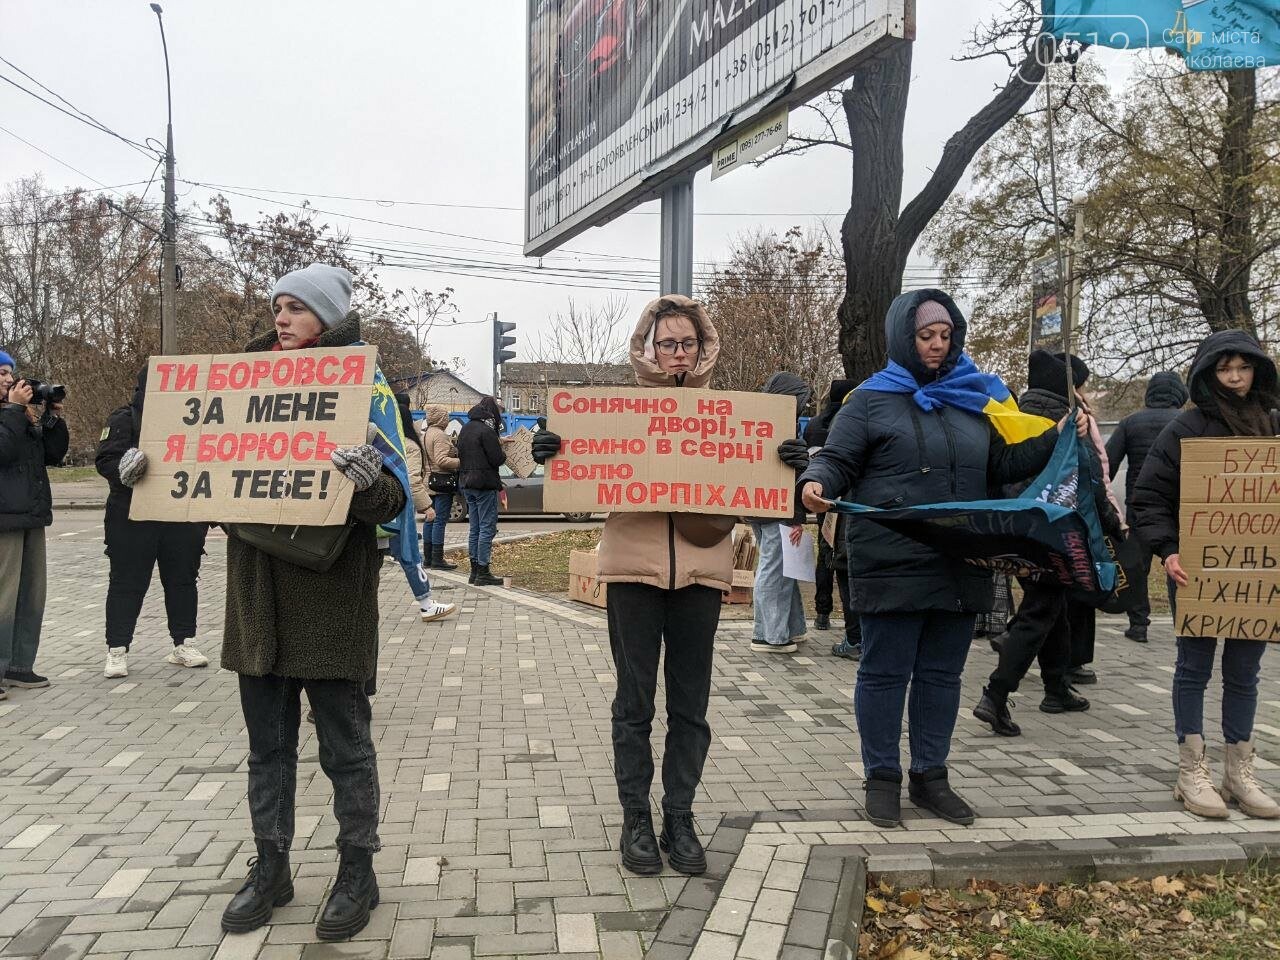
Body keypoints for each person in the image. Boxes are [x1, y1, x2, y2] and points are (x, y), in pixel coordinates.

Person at [117, 264, 407, 940]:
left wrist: (366, 482)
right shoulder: (234, 385)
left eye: (298, 308)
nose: (282, 318)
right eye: (278, 306)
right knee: (267, 746)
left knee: (345, 745)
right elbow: (197, 473)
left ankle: (357, 869)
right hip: (256, 593)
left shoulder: (362, 388)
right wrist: (140, 470)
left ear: (329, 319)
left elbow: (396, 501)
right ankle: (271, 864)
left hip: (332, 594)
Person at [798, 291, 1087, 829]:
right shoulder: (868, 400)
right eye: (925, 336)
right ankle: (881, 776)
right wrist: (815, 482)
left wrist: (1058, 436)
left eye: (945, 336)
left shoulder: (974, 398)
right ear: (903, 337)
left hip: (961, 559)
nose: (935, 345)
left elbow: (1003, 466)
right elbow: (837, 459)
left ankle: (931, 776)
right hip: (892, 556)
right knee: (884, 673)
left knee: (941, 675)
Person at [532, 295, 778, 877]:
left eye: (686, 343)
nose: (676, 353)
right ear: (647, 349)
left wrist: (783, 460)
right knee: (634, 703)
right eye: (665, 343)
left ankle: (680, 814)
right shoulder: (616, 415)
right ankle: (636, 817)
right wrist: (553, 452)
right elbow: (580, 471)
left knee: (690, 706)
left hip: (700, 572)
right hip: (632, 574)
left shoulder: (729, 415)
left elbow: (757, 475)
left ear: (703, 347)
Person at [1130, 330, 1280, 821]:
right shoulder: (1186, 427)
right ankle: (1191, 769)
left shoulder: (1273, 425)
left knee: (1245, 672)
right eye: (1224, 369)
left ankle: (1239, 770)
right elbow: (1149, 497)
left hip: (1255, 574)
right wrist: (1169, 551)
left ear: (1257, 369)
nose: (1235, 378)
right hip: (1195, 571)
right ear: (1207, 374)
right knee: (1193, 667)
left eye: (1243, 367)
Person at [972, 351, 1123, 737]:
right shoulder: (1068, 425)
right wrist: (1115, 525)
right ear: (1066, 389)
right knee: (1040, 612)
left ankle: (1056, 688)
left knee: (1051, 606)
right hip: (1057, 534)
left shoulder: (1013, 420)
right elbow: (1089, 483)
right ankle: (996, 694)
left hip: (1015, 530)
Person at [96, 367, 211, 678]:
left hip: (180, 518)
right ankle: (117, 649)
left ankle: (184, 642)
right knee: (127, 583)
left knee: (182, 581)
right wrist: (127, 469)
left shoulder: (194, 417)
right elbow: (105, 460)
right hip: (132, 517)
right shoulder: (125, 418)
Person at [0, 350, 68, 698]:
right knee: (3, 597)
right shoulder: (10, 416)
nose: (8, 380)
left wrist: (52, 416)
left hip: (30, 515)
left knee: (31, 595)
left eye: (9, 373)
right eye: (0, 374)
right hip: (4, 522)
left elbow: (53, 455)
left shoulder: (18, 415)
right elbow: (3, 451)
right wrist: (14, 411)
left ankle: (19, 666)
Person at [1104, 370, 1188, 643]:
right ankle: (1182, 624)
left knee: (1137, 568)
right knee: (1177, 565)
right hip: (1178, 510)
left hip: (1140, 507)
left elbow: (1108, 463)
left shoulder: (1130, 423)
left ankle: (1138, 625)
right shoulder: (1187, 423)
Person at [750, 371, 813, 654]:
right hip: (779, 512)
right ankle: (769, 635)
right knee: (774, 572)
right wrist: (796, 518)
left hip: (761, 509)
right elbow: (791, 478)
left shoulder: (759, 426)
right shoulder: (782, 429)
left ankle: (792, 628)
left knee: (783, 570)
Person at [803, 379, 861, 657]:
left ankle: (824, 614)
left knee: (830, 560)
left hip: (829, 503)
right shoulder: (857, 422)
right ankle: (857, 636)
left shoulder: (815, 425)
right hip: (848, 504)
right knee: (847, 567)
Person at [392, 393, 455, 622]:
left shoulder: (384, 441)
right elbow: (411, 479)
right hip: (399, 509)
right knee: (410, 556)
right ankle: (426, 603)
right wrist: (426, 506)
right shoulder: (410, 445)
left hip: (377, 510)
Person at [457, 396, 507, 587]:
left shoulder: (466, 428)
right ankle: (483, 571)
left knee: (475, 528)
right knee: (487, 528)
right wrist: (503, 452)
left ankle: (474, 571)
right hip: (484, 484)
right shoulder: (486, 431)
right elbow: (496, 459)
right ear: (491, 412)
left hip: (467, 482)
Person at [421, 404, 459, 570]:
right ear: (442, 418)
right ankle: (437, 559)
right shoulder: (440, 436)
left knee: (430, 520)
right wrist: (461, 462)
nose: (448, 419)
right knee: (440, 521)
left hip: (428, 481)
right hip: (441, 482)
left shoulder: (425, 434)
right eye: (446, 416)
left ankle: (428, 558)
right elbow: (442, 460)